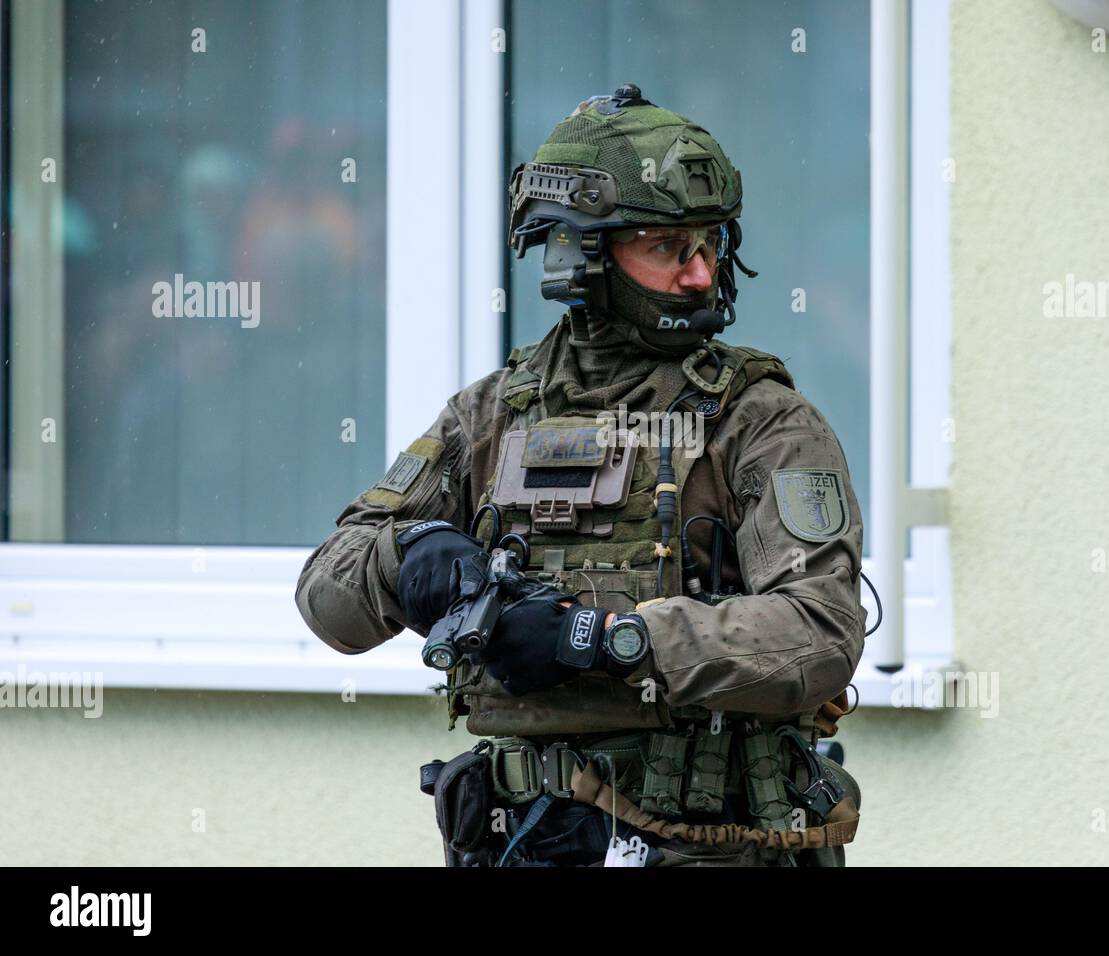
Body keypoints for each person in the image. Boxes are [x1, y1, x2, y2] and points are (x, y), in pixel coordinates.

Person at [296, 84, 871, 867]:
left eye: (709, 245)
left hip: (710, 846)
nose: (701, 276)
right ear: (583, 253)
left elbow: (820, 634)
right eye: (669, 248)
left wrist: (604, 639)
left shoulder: (760, 420)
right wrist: (412, 559)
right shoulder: (491, 415)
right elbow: (328, 601)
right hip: (524, 842)